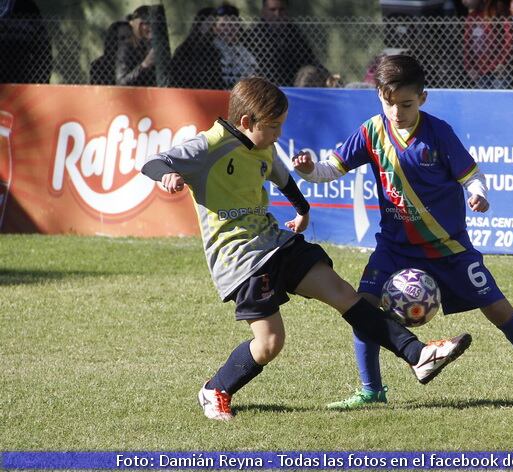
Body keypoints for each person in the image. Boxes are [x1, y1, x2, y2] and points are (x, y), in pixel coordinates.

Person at [140, 77, 472, 421]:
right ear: (245, 123)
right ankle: (216, 388)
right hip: (241, 260)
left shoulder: (262, 146)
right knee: (270, 344)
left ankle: (418, 355)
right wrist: (169, 175)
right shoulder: (208, 146)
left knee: (344, 293)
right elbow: (153, 163)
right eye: (273, 127)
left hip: (276, 243)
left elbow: (283, 180)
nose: (278, 135)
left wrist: (302, 211)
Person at [292, 54, 513, 409]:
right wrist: (310, 169)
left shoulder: (438, 133)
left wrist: (478, 194)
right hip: (395, 247)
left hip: (449, 247)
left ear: (423, 98)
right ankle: (371, 390)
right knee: (364, 309)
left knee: (498, 309)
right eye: (389, 104)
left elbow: (472, 176)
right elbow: (330, 169)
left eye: (406, 104)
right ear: (379, 97)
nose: (397, 113)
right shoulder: (371, 131)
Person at [249, 0, 320, 87]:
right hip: (264, 85)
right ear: (263, 12)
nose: (277, 14)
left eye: (281, 10)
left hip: (292, 82)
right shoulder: (254, 35)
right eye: (272, 10)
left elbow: (309, 58)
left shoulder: (294, 33)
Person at [461, 0, 513, 89]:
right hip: (480, 69)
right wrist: (469, 66)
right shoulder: (471, 17)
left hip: (498, 69)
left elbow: (509, 38)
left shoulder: (498, 11)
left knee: (500, 97)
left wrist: (503, 62)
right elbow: (467, 44)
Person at [169, 6, 224, 89]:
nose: (213, 27)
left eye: (215, 24)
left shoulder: (215, 48)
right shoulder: (184, 49)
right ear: (199, 25)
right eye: (209, 23)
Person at [211, 4, 257, 89]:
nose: (229, 28)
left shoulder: (246, 50)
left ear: (239, 26)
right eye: (223, 25)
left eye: (233, 23)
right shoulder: (211, 50)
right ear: (215, 29)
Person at [115, 5, 156, 86]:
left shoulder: (147, 44)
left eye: (153, 24)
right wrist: (144, 65)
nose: (150, 28)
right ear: (137, 24)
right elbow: (121, 82)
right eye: (146, 23)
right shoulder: (125, 47)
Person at [90, 20, 132, 85]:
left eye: (129, 37)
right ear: (114, 40)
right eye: (122, 38)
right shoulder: (98, 65)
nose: (127, 42)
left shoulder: (136, 61)